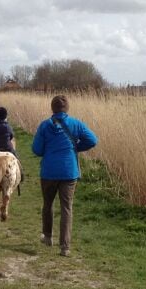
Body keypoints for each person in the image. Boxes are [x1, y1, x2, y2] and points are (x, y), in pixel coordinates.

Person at [30, 94, 98, 256]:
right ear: (67, 108)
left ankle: (47, 236)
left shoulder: (44, 125)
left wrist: (49, 150)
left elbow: (36, 149)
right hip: (69, 172)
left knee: (48, 204)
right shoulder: (76, 124)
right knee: (66, 208)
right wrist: (75, 148)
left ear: (52, 108)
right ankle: (65, 247)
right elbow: (93, 140)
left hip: (48, 172)